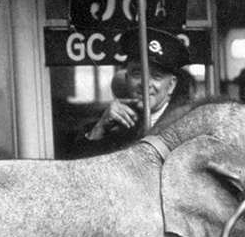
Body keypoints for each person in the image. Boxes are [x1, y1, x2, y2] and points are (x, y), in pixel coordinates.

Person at [74, 27, 192, 157]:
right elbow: (80, 171)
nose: (145, 84)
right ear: (126, 78)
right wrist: (98, 129)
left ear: (171, 85)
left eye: (156, 76)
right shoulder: (113, 123)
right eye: (137, 74)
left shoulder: (188, 125)